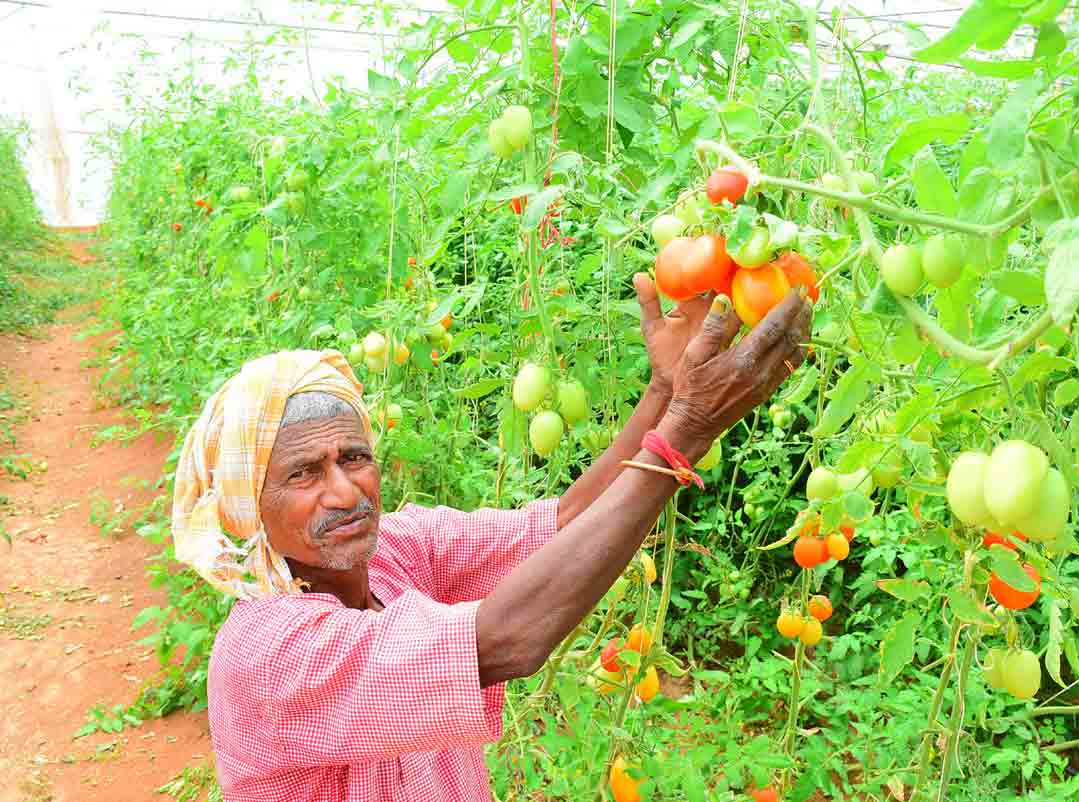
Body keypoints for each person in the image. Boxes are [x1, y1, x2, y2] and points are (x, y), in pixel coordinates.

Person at [170, 274, 811, 802]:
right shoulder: (270, 651)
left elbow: (562, 526)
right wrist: (687, 431)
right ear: (248, 505)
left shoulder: (395, 550)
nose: (344, 492)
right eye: (304, 474)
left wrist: (665, 393)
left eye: (354, 458)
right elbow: (508, 640)